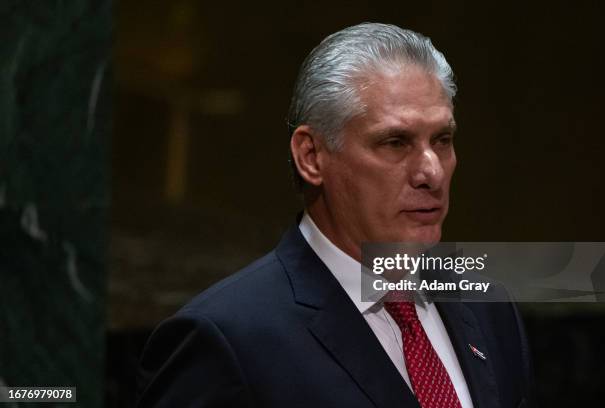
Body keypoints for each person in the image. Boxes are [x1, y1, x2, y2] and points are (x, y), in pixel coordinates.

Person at [137, 22, 535, 407]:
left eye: (442, 140)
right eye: (395, 142)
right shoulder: (225, 341)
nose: (431, 172)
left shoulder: (488, 308)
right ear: (311, 156)